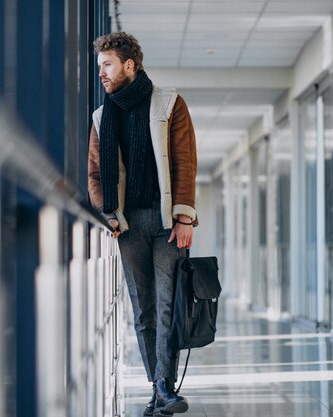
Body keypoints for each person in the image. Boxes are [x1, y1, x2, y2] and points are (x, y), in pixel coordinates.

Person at [87, 32, 198, 416]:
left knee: (168, 304)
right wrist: (109, 213)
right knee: (143, 308)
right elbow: (95, 175)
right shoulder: (102, 117)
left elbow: (185, 162)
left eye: (107, 65)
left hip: (167, 221)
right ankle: (159, 385)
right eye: (100, 66)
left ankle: (164, 386)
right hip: (128, 224)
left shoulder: (170, 104)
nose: (101, 73)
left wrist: (185, 217)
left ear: (129, 65)